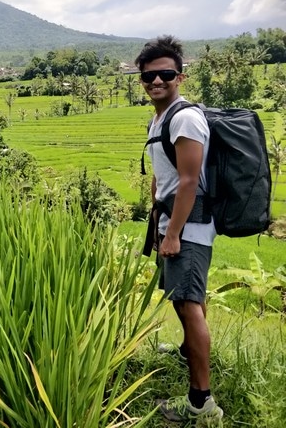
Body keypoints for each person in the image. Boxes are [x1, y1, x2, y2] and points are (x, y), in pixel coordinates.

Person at [136, 35, 223, 424]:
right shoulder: (160, 117)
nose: (157, 81)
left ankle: (201, 403)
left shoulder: (185, 117)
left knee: (188, 306)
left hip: (189, 225)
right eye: (149, 76)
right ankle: (191, 351)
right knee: (187, 299)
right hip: (173, 221)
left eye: (165, 74)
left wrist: (173, 234)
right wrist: (159, 224)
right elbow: (163, 177)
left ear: (179, 77)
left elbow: (189, 181)